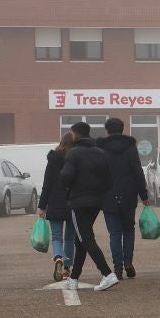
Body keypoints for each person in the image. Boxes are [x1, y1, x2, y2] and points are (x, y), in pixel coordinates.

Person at [59, 121, 118, 292]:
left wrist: (67, 185)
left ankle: (107, 274)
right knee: (81, 240)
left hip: (78, 202)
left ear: (75, 134)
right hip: (96, 202)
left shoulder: (73, 153)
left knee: (86, 239)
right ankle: (74, 278)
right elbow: (109, 180)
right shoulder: (100, 153)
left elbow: (66, 177)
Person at [98, 117, 151, 280]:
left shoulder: (101, 148)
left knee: (114, 233)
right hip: (128, 195)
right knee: (128, 229)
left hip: (107, 195)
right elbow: (137, 171)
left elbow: (97, 173)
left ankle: (118, 267)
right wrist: (144, 194)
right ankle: (128, 260)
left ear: (107, 130)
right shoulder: (130, 148)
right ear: (122, 129)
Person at [38, 132, 76, 283]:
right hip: (72, 202)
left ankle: (58, 258)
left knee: (56, 236)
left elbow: (46, 184)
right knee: (70, 238)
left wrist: (42, 206)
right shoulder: (74, 158)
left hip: (54, 202)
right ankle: (67, 268)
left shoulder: (53, 159)